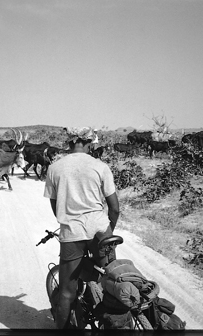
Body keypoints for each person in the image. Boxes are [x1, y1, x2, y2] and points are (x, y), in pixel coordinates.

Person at [43, 126, 120, 329]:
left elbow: (55, 204)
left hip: (72, 233)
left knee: (67, 293)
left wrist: (67, 219)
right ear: (88, 144)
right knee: (112, 283)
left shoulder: (55, 168)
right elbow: (115, 209)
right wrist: (107, 229)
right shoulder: (100, 166)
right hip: (100, 230)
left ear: (69, 143)